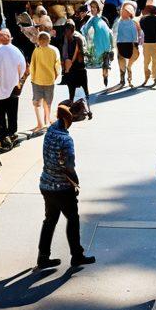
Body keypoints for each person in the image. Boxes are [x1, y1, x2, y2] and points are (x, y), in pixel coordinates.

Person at [36, 102, 95, 270]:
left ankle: (43, 257)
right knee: (73, 218)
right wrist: (76, 183)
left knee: (50, 220)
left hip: (46, 184)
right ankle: (77, 255)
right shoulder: (66, 140)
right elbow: (69, 166)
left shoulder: (51, 130)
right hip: (62, 187)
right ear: (70, 119)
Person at [0, 29, 27, 150]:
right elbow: (23, 68)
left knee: (0, 114)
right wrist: (16, 78)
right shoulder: (16, 51)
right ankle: (12, 134)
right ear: (10, 38)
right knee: (12, 112)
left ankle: (3, 137)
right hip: (14, 87)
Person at [29, 31, 60, 133]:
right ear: (49, 40)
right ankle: (46, 122)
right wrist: (55, 76)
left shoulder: (36, 51)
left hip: (37, 80)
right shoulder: (53, 51)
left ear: (38, 41)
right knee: (48, 102)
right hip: (49, 80)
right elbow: (57, 66)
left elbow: (32, 66)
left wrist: (32, 78)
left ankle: (39, 123)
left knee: (36, 103)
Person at [82, 0, 114, 89]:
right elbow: (84, 30)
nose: (92, 9)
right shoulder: (91, 19)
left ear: (98, 8)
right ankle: (105, 77)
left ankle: (105, 77)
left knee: (106, 63)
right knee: (103, 61)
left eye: (94, 7)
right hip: (98, 44)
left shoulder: (103, 19)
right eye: (91, 7)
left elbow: (109, 31)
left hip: (106, 44)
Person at [113, 2, 142, 89]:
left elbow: (134, 34)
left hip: (130, 44)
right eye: (122, 10)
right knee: (121, 61)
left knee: (129, 61)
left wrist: (135, 43)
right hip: (120, 44)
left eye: (124, 11)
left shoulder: (132, 23)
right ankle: (122, 79)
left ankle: (129, 78)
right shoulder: (119, 22)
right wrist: (116, 43)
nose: (122, 12)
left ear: (130, 13)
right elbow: (117, 33)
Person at [139, 3, 156, 88]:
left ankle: (146, 76)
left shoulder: (143, 19)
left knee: (146, 61)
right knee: (155, 61)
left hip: (146, 43)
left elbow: (142, 27)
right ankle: (154, 77)